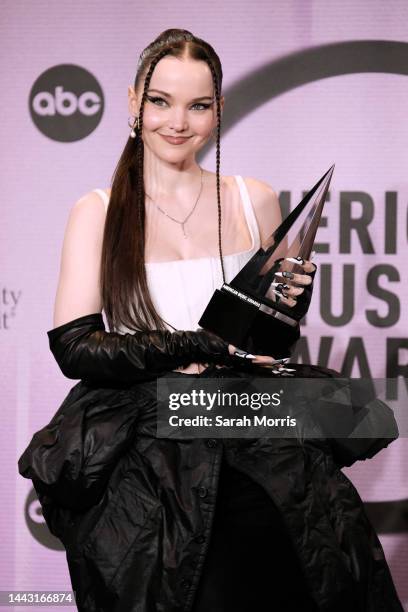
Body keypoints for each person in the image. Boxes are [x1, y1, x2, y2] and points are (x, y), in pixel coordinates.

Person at [42, 29, 403, 612]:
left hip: (257, 427)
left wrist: (288, 304)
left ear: (218, 110)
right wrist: (189, 343)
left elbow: (272, 338)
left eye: (198, 105)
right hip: (156, 447)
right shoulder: (99, 212)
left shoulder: (251, 197)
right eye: (160, 101)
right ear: (134, 102)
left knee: (311, 578)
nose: (177, 122)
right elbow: (74, 346)